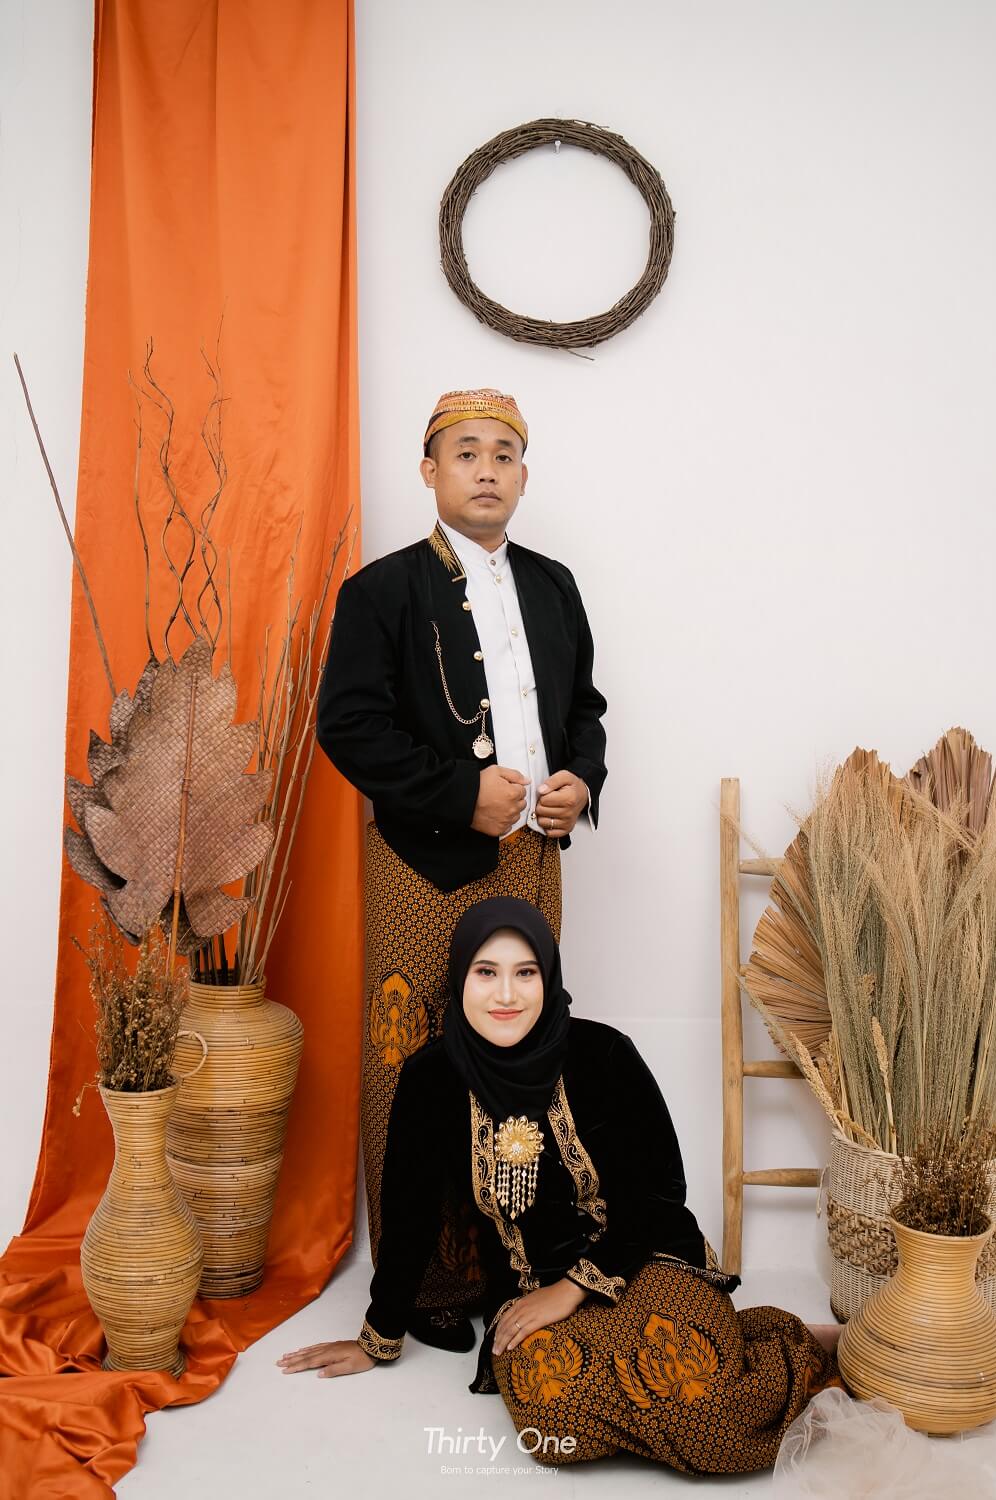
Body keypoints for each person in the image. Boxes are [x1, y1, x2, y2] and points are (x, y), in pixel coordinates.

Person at [279, 898, 836, 1475]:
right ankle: (725, 1352)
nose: (506, 995)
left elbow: (659, 1195)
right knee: (553, 1423)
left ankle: (793, 1351)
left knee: (701, 1406)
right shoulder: (430, 1080)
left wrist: (573, 1288)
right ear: (460, 977)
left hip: (643, 1260)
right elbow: (409, 1215)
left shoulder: (604, 1054)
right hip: (528, 1287)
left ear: (548, 977)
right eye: (486, 972)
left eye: (525, 973)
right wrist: (377, 1338)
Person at [316, 389, 607, 1350]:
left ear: (524, 475)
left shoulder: (555, 586)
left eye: (504, 454)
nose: (487, 469)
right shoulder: (383, 591)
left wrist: (579, 782)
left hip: (535, 862)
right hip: (419, 865)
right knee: (411, 1062)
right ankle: (425, 1281)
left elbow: (586, 711)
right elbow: (348, 726)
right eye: (466, 452)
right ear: (429, 471)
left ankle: (511, 1255)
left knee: (519, 1054)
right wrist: (457, 794)